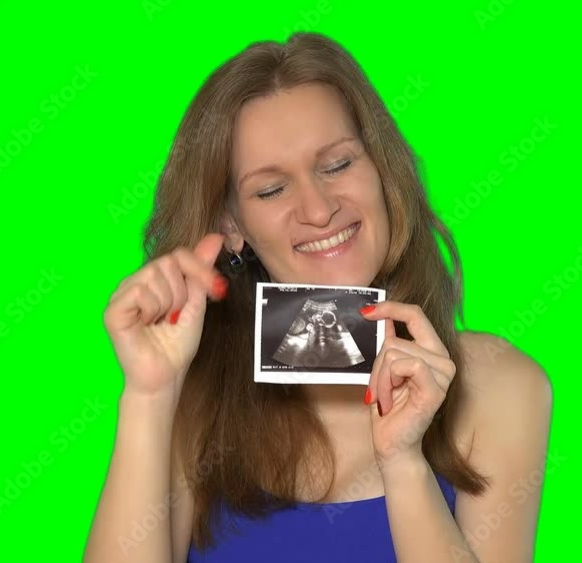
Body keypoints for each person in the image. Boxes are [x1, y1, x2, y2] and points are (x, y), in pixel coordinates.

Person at [83, 32, 552, 563]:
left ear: (382, 171)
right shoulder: (193, 393)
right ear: (231, 225)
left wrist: (403, 463)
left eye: (336, 165)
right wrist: (149, 396)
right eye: (271, 189)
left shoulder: (499, 385)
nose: (319, 208)